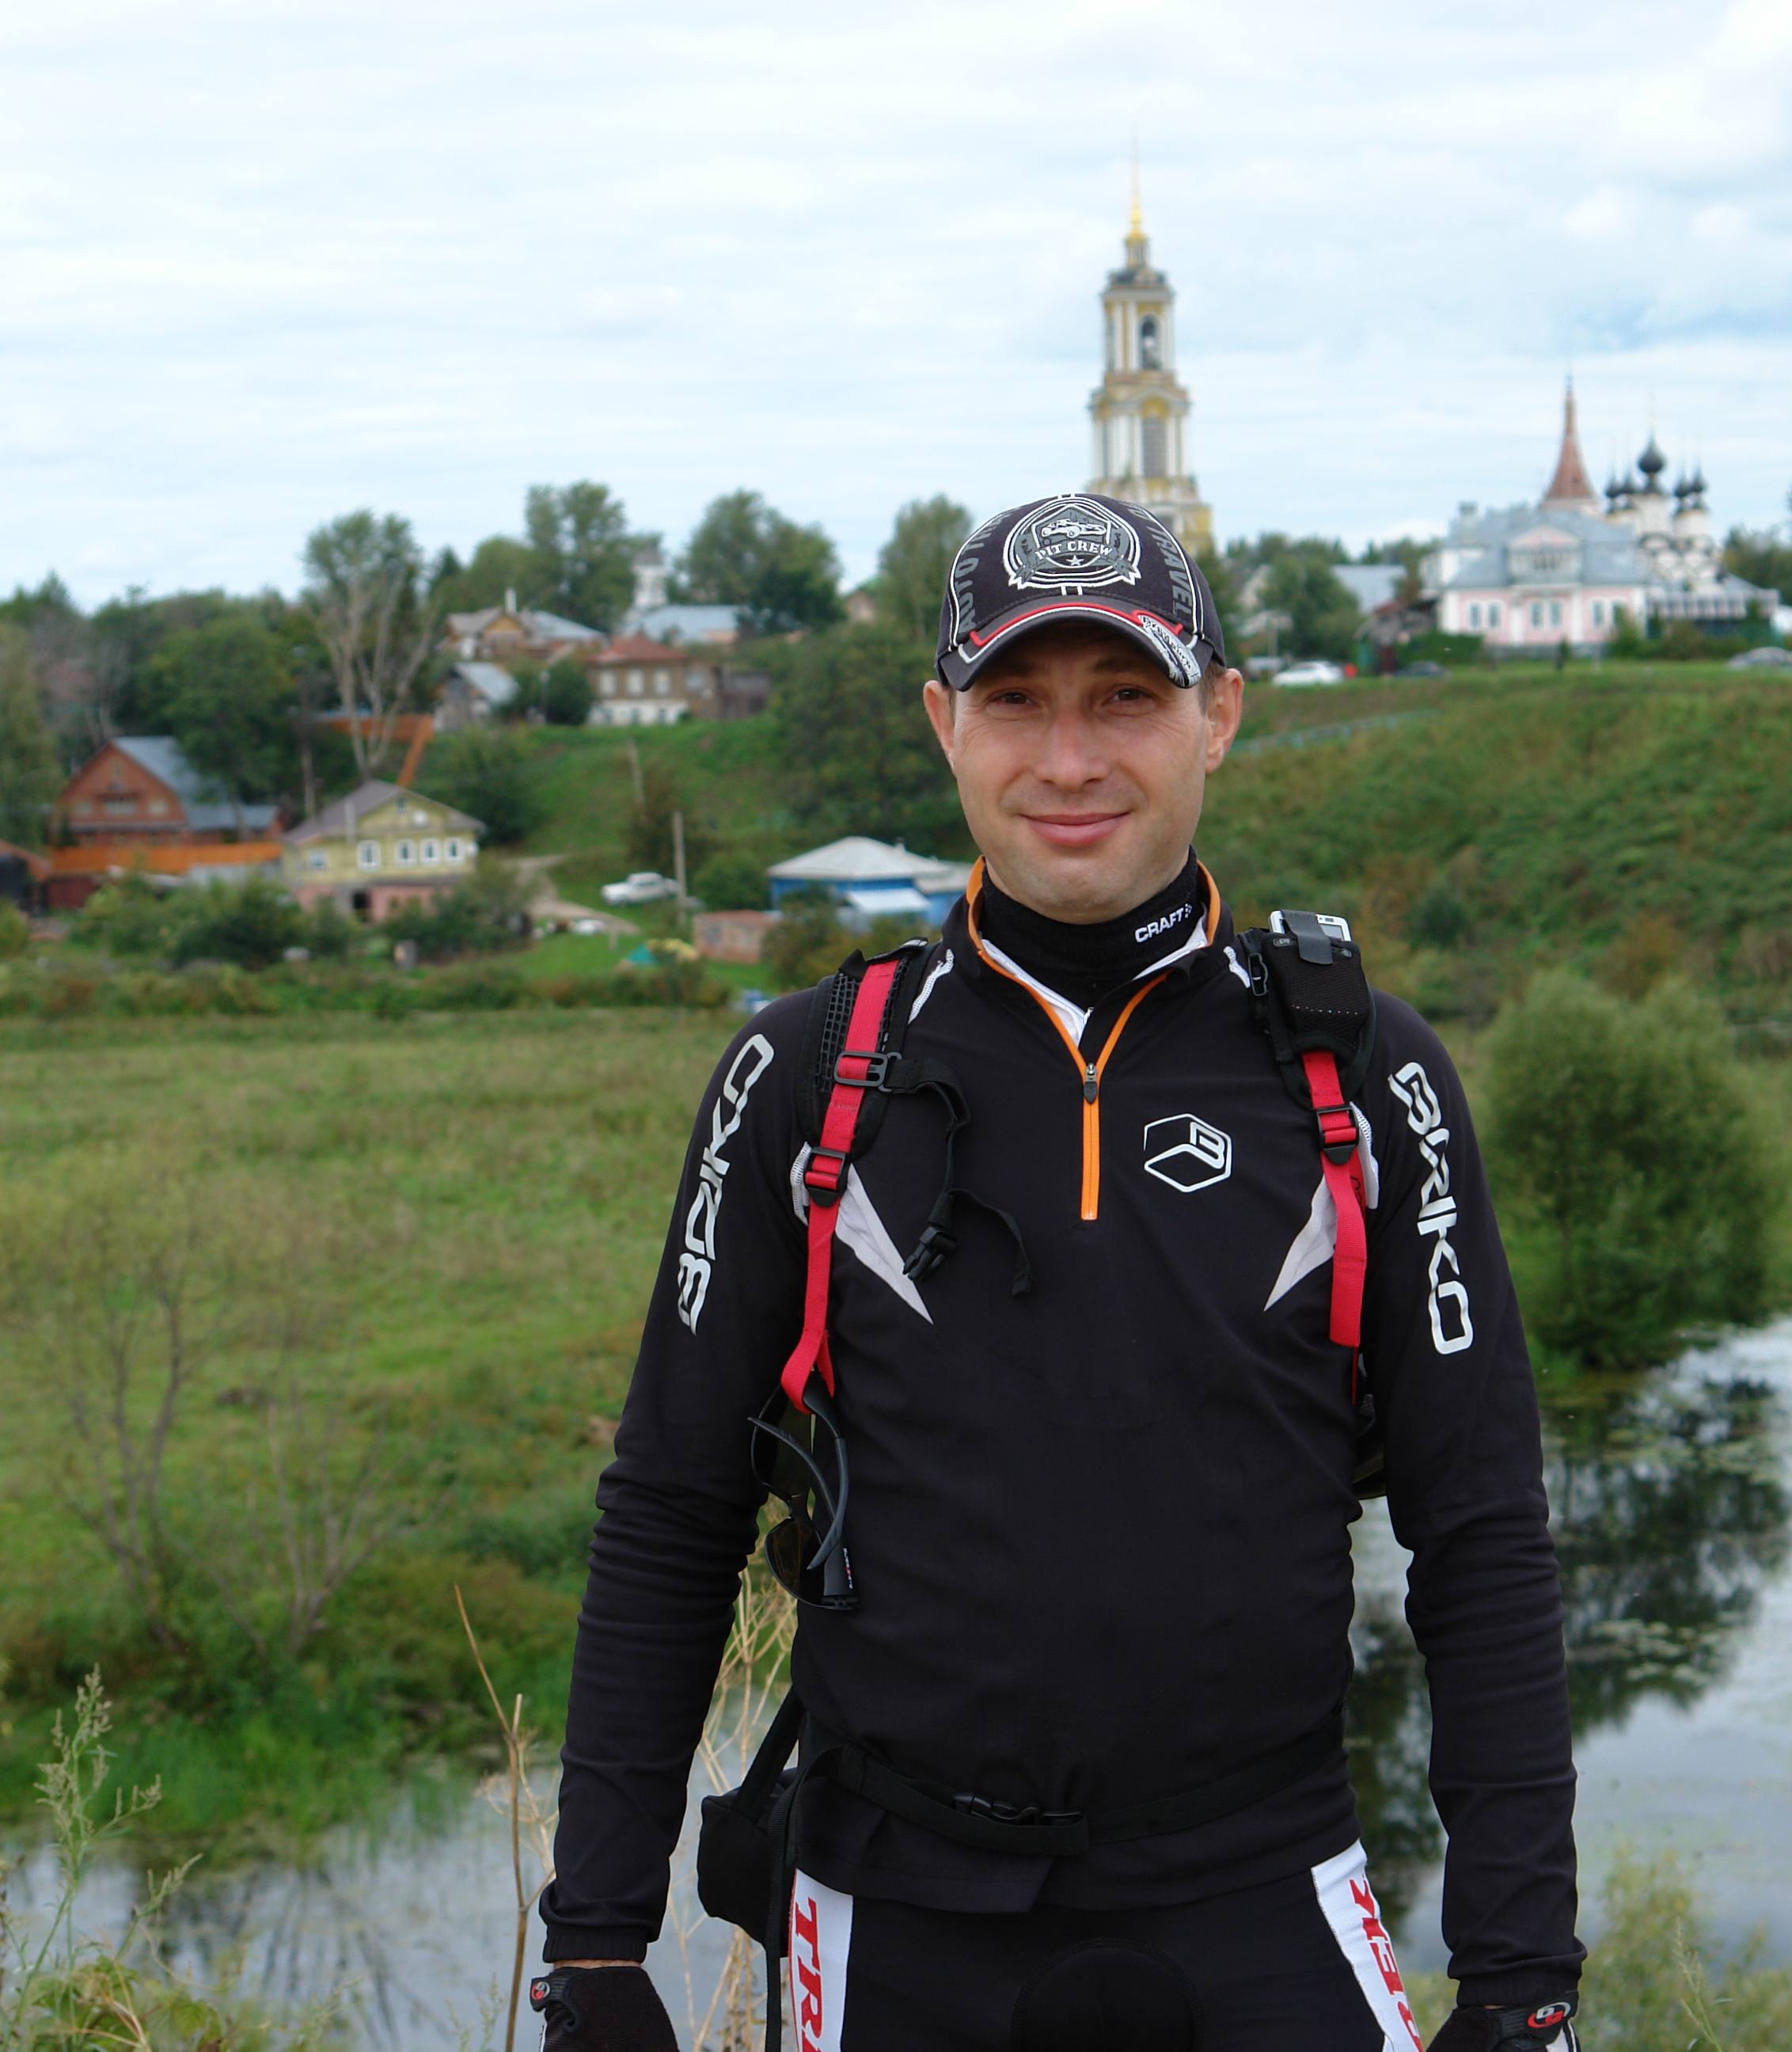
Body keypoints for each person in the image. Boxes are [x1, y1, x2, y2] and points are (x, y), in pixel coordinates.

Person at [535, 494, 1582, 2050]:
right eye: (1018, 699)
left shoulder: (1366, 1076)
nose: (1071, 760)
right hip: (891, 1913)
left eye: (1128, 698)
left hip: (1266, 1892)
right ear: (944, 724)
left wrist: (1519, 1976)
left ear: (1219, 715)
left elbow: (1481, 1533)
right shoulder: (805, 1074)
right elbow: (672, 1516)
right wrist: (597, 1949)